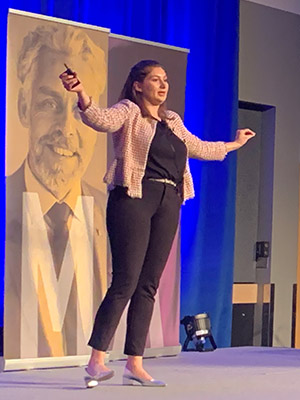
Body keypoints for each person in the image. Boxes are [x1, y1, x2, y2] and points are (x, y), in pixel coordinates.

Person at [60, 59, 255, 387]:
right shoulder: (129, 110)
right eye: (154, 80)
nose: (163, 86)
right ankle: (96, 360)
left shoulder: (172, 120)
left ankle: (134, 363)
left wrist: (234, 144)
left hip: (169, 202)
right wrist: (82, 94)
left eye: (165, 80)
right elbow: (101, 120)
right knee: (126, 280)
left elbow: (198, 148)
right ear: (138, 85)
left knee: (149, 284)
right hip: (134, 197)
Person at [5, 24, 108, 359]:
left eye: (81, 112)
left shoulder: (116, 212)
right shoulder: (5, 203)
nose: (66, 130)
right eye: (49, 104)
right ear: (23, 107)